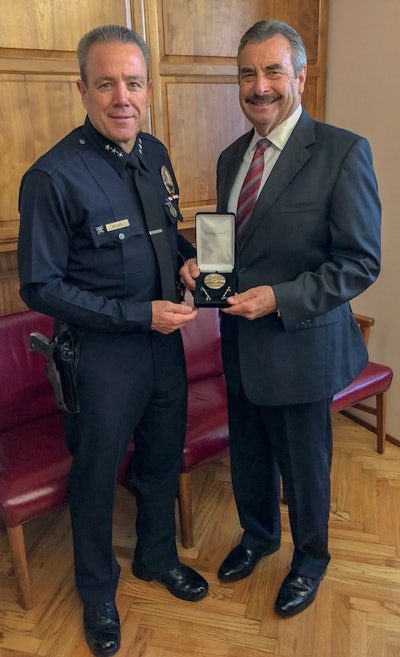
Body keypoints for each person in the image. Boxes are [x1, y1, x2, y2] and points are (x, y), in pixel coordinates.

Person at [18, 24, 208, 657]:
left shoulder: (154, 153)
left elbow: (164, 235)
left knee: (159, 461)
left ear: (147, 88)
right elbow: (39, 287)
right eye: (105, 84)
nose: (120, 97)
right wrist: (136, 316)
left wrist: (186, 260)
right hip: (100, 360)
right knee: (96, 478)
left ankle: (155, 557)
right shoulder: (52, 176)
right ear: (83, 89)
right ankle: (98, 589)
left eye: (132, 83)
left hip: (164, 348)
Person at [180, 19, 381, 618]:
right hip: (239, 340)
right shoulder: (230, 157)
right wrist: (200, 268)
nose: (259, 85)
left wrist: (281, 298)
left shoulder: (343, 151)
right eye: (248, 73)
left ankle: (311, 560)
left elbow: (359, 263)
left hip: (299, 344)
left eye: (272, 71)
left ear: (298, 76)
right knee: (248, 453)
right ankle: (259, 536)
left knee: (304, 465)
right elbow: (231, 248)